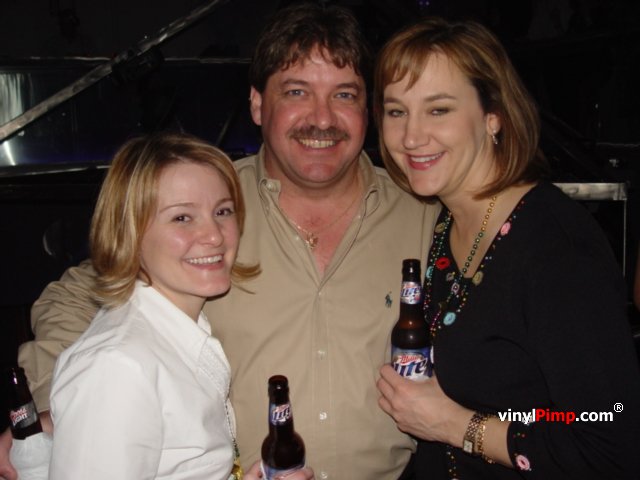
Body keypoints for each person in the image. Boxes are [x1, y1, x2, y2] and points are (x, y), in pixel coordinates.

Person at [5, 3, 439, 479]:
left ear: (367, 111)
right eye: (297, 91)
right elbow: (75, 298)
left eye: (344, 95)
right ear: (257, 104)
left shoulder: (422, 213)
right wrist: (65, 411)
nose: (322, 118)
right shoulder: (208, 202)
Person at [374, 17, 640, 479]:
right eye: (397, 111)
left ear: (492, 116)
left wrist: (455, 425)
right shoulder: (446, 220)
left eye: (438, 110)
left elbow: (612, 441)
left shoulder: (554, 247)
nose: (411, 137)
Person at [46, 132, 313, 480]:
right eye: (182, 218)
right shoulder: (118, 366)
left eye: (222, 211)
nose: (215, 235)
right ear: (129, 231)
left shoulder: (177, 332)